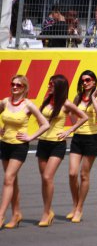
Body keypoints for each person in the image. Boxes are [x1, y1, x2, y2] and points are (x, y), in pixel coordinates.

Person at [36, 75, 87, 227]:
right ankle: (48, 210)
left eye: (52, 84)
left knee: (47, 176)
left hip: (57, 144)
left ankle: (46, 213)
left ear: (59, 86)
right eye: (49, 83)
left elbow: (83, 117)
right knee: (44, 180)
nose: (49, 86)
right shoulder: (46, 101)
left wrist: (69, 130)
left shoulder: (66, 104)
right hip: (42, 142)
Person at [0, 75, 49, 229]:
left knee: (8, 178)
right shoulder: (5, 102)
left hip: (19, 146)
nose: (15, 87)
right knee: (12, 181)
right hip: (4, 144)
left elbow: (45, 124)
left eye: (19, 85)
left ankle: (1, 215)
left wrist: (30, 137)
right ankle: (16, 214)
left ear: (24, 88)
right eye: (13, 84)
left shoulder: (29, 105)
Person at [66, 70, 97, 223]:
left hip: (92, 138)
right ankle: (75, 204)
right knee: (72, 173)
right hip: (77, 138)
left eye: (88, 80)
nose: (85, 83)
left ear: (94, 81)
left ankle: (79, 208)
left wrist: (93, 98)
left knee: (84, 174)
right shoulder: (77, 97)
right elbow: (70, 112)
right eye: (83, 80)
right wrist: (74, 124)